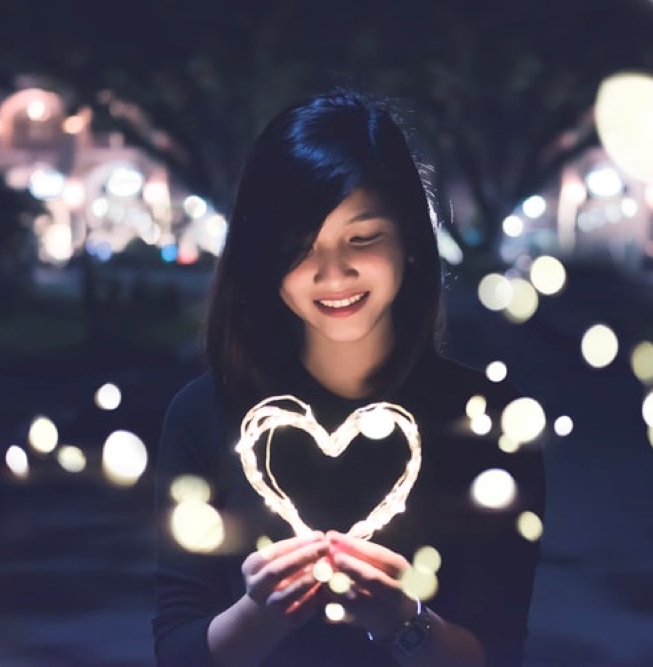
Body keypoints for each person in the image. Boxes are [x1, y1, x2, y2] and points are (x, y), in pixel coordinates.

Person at [153, 90, 545, 666]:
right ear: (262, 258)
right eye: (299, 247)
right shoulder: (204, 414)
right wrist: (260, 613)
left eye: (362, 239)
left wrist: (402, 621)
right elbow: (176, 651)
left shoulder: (488, 421)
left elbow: (498, 652)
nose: (333, 274)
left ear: (410, 241)